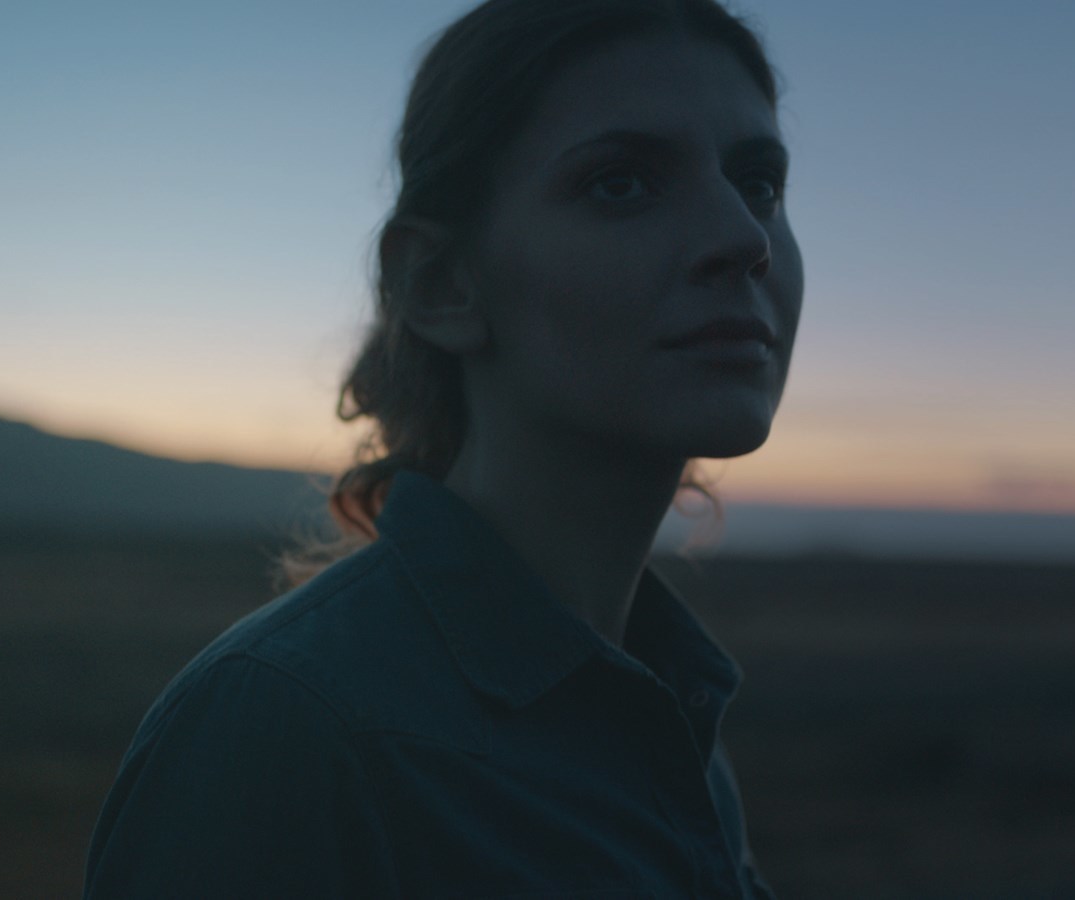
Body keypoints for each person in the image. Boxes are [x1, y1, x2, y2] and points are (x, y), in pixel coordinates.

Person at [83, 0, 802, 895]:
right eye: (622, 183)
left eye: (759, 184)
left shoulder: (666, 716)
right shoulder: (291, 728)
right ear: (441, 284)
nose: (741, 238)